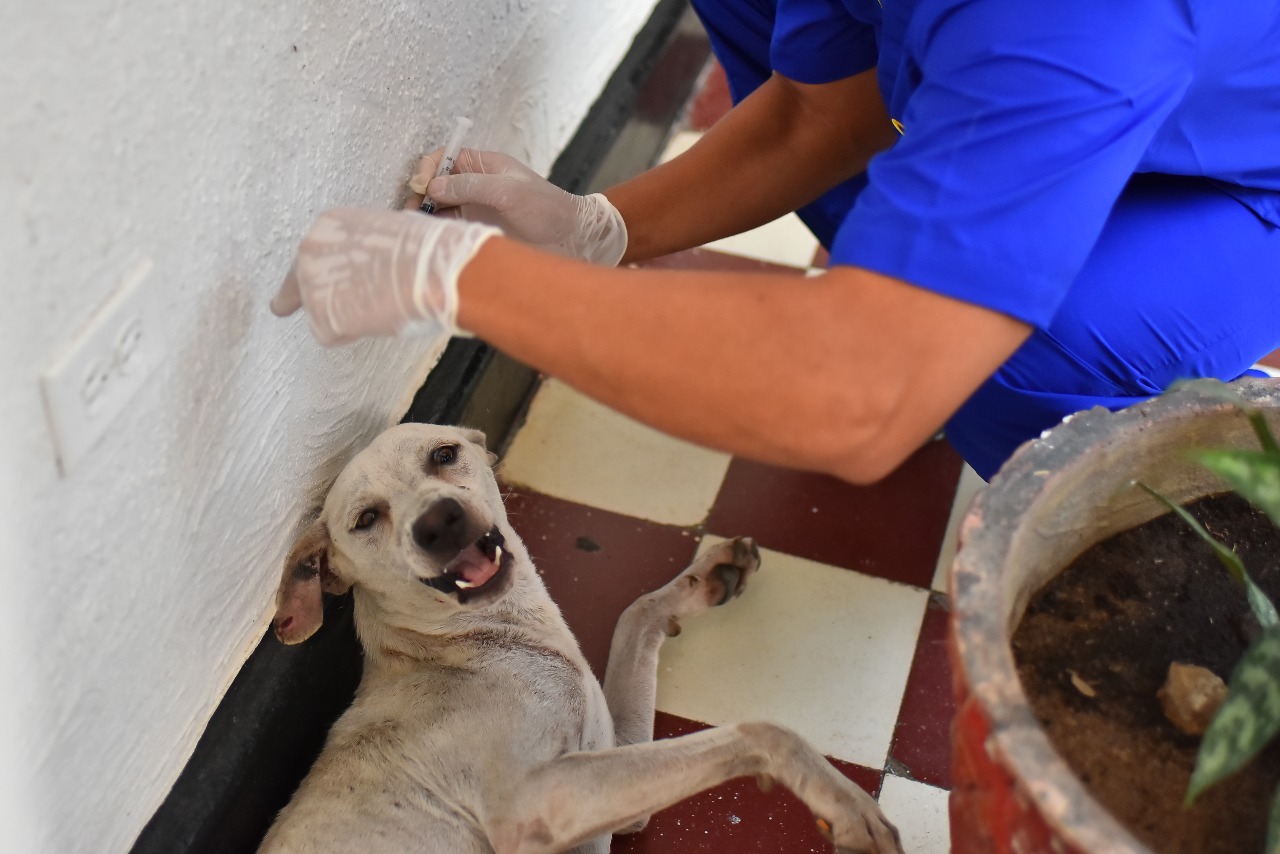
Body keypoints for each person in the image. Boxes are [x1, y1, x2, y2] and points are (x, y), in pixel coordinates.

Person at [272, 0, 1280, 484]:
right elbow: (818, 116)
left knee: (1020, 347)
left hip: (1244, 185)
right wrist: (596, 230)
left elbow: (860, 395)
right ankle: (940, 280)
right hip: (1102, 87)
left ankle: (1109, 508)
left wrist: (453, 277)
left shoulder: (1076, 18)